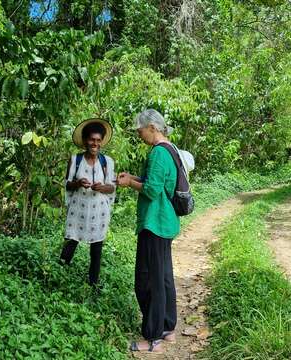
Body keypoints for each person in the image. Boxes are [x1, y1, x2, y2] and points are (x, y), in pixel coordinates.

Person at [116, 109, 179, 354]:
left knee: (148, 280)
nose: (139, 135)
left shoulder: (157, 154)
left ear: (152, 127)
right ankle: (167, 329)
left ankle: (152, 339)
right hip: (166, 222)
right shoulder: (170, 150)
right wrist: (134, 176)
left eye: (140, 130)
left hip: (154, 223)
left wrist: (129, 183)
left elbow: (152, 191)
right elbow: (157, 182)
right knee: (163, 277)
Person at [59, 118, 116, 289]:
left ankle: (93, 284)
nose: (95, 143)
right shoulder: (75, 160)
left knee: (96, 248)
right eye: (92, 139)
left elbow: (112, 187)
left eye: (98, 140)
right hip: (78, 209)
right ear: (85, 141)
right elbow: (67, 184)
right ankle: (58, 274)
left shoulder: (107, 162)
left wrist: (102, 187)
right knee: (71, 240)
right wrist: (77, 183)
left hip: (99, 212)